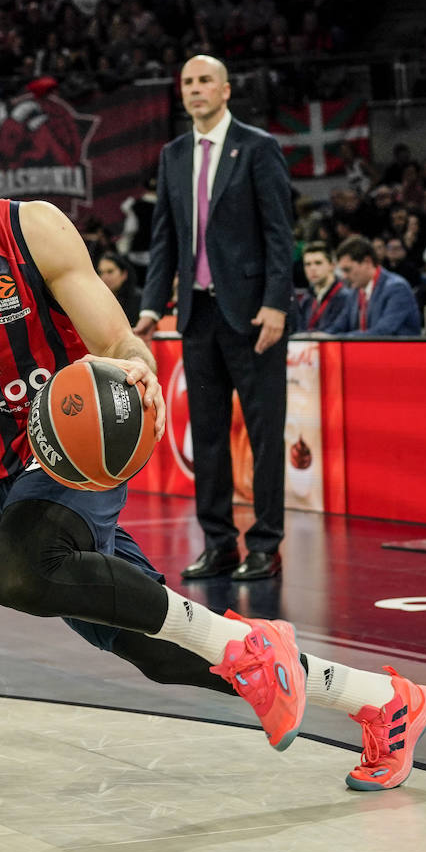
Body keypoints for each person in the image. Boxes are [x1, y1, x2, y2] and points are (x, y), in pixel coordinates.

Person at [0, 81, 426, 792]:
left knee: (18, 575)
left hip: (72, 447)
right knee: (157, 649)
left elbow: (116, 339)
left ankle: (253, 643)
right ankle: (383, 701)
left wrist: (134, 370)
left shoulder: (33, 230)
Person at [136, 55, 293, 582]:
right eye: (187, 82)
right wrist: (152, 306)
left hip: (253, 314)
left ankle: (266, 545)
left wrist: (276, 302)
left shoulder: (257, 146)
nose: (195, 89)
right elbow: (164, 239)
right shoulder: (174, 153)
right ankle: (219, 543)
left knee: (265, 432)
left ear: (226, 90)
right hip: (198, 314)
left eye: (205, 81)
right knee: (205, 434)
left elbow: (279, 233)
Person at [332, 236, 422, 335]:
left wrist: (340, 338)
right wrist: (320, 337)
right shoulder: (355, 292)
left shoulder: (397, 288)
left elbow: (382, 332)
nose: (344, 276)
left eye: (347, 270)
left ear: (367, 262)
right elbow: (338, 326)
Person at [294, 241, 354, 333]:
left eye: (318, 263)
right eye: (308, 264)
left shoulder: (346, 297)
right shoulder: (306, 299)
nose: (312, 268)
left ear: (332, 266)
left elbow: (337, 330)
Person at [96, 250, 142, 324]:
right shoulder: (97, 300)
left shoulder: (139, 300)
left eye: (110, 271)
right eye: (101, 273)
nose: (104, 277)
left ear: (124, 274)